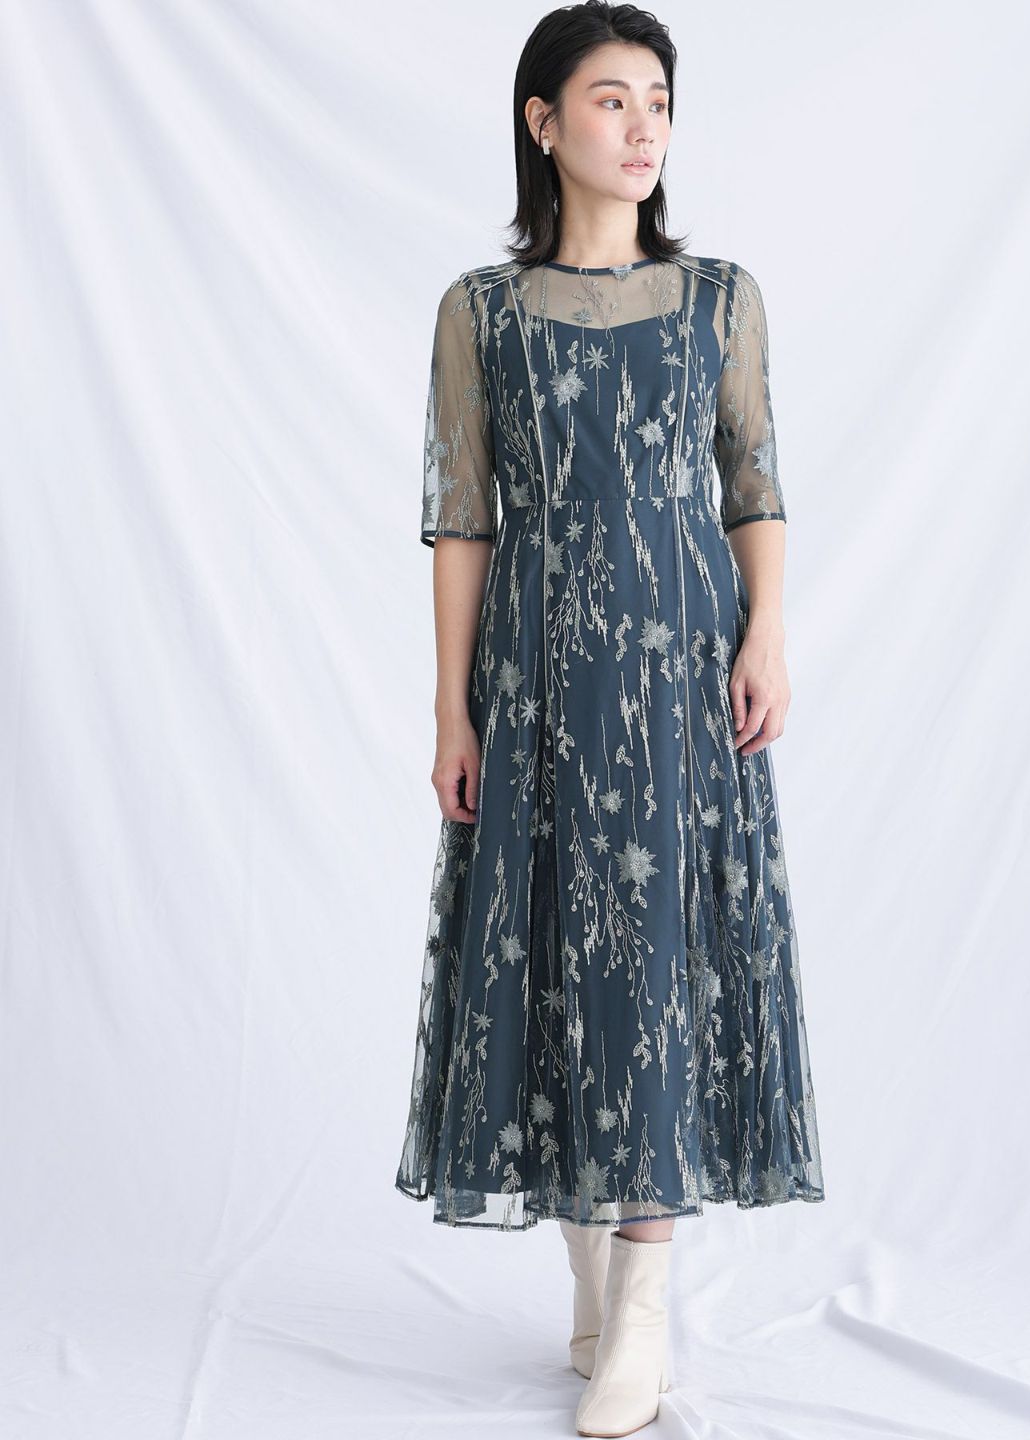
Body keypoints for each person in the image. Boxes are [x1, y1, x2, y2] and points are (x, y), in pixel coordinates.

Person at [394, 2, 825, 1432]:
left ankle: (644, 1310)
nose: (644, 128)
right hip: (537, 682)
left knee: (658, 963)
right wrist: (451, 708)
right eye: (611, 99)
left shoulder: (720, 300)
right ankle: (590, 1281)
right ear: (543, 122)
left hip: (685, 681)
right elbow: (463, 520)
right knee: (558, 956)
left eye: (659, 102)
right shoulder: (480, 312)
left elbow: (752, 481)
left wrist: (767, 633)